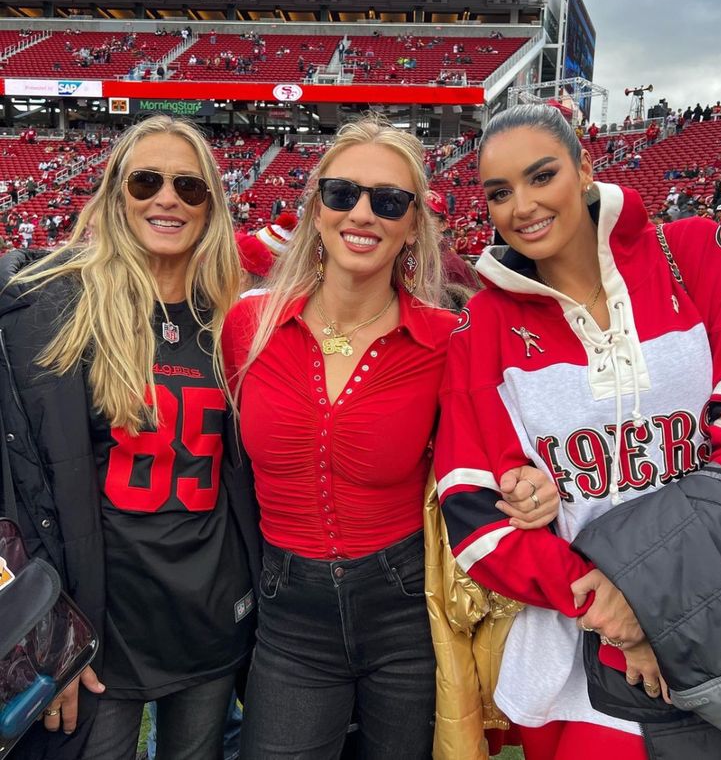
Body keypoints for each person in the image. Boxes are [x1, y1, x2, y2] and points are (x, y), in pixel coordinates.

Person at [221, 113, 558, 760]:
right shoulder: (248, 324)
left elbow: (500, 445)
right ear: (316, 210)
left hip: (404, 611)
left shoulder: (446, 338)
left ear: (412, 226)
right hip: (286, 613)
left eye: (390, 201)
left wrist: (531, 482)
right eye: (343, 193)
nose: (363, 214)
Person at [435, 103, 721, 760]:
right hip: (581, 664)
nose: (523, 206)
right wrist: (611, 609)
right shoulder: (482, 326)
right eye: (499, 193)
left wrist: (653, 598)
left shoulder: (696, 254)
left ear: (585, 167)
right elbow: (475, 518)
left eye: (542, 176)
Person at [0, 115, 261, 760]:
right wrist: (45, 635)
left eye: (188, 187)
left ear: (211, 207)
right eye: (146, 181)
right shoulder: (51, 312)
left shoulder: (238, 320)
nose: (166, 199)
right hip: (100, 625)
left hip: (209, 615)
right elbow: (20, 483)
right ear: (116, 193)